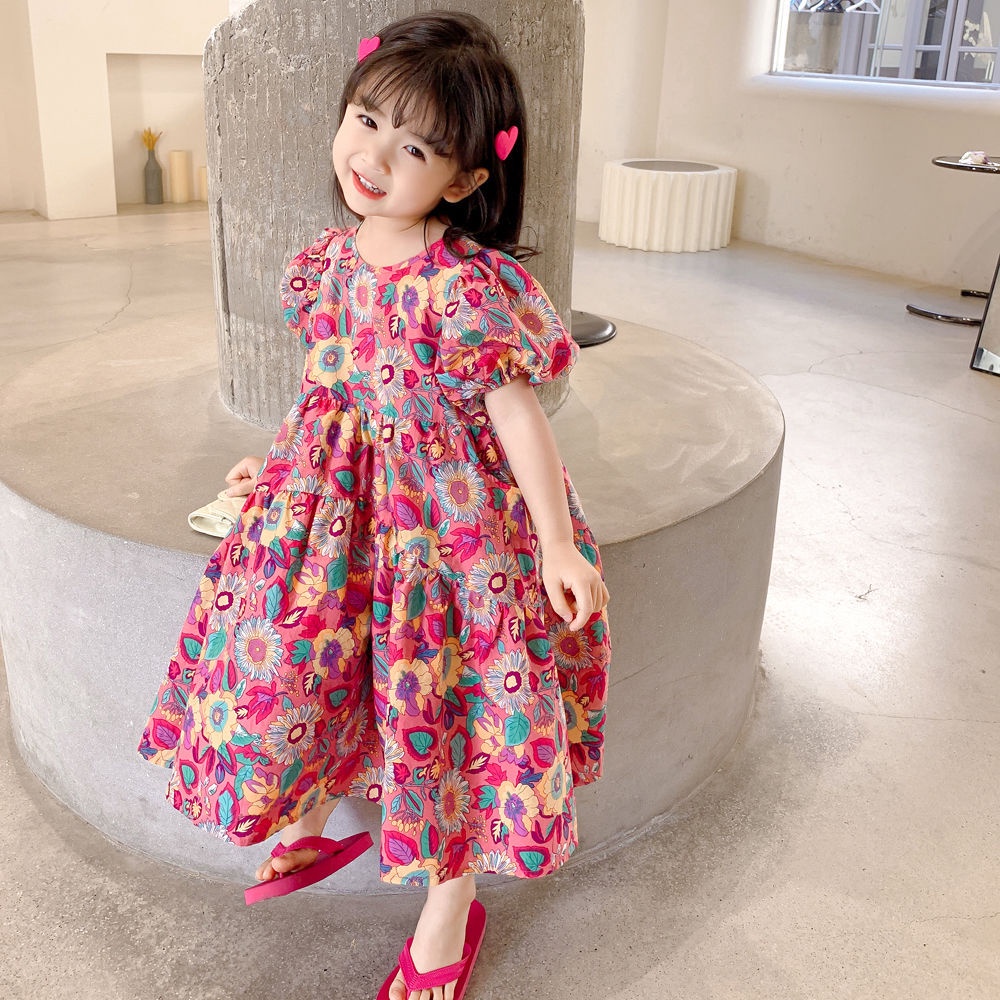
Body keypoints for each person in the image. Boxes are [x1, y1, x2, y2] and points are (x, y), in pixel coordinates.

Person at [138, 12, 610, 1000]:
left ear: (466, 179)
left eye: (417, 149)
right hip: (336, 501)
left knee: (442, 695)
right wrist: (275, 465)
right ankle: (311, 816)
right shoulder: (326, 261)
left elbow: (517, 416)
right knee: (302, 648)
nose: (375, 158)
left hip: (447, 521)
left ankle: (450, 905)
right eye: (366, 121)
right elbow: (328, 383)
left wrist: (557, 545)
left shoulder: (467, 288)